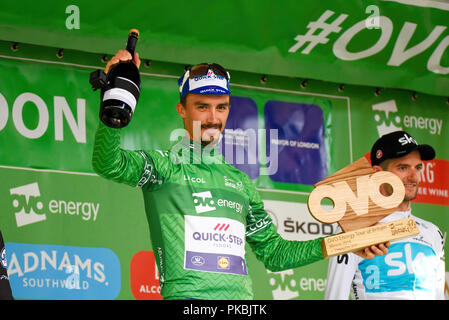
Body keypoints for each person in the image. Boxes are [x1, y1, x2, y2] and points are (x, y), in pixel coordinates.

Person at [92, 49, 388, 300]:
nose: (213, 118)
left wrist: (345, 242)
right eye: (202, 107)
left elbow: (275, 253)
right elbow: (109, 164)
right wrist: (113, 104)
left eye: (221, 107)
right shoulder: (165, 167)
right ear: (182, 110)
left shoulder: (241, 183)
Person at [325, 130, 446, 300]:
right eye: (402, 167)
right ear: (377, 174)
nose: (414, 177)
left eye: (418, 167)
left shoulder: (432, 232)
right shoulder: (352, 229)